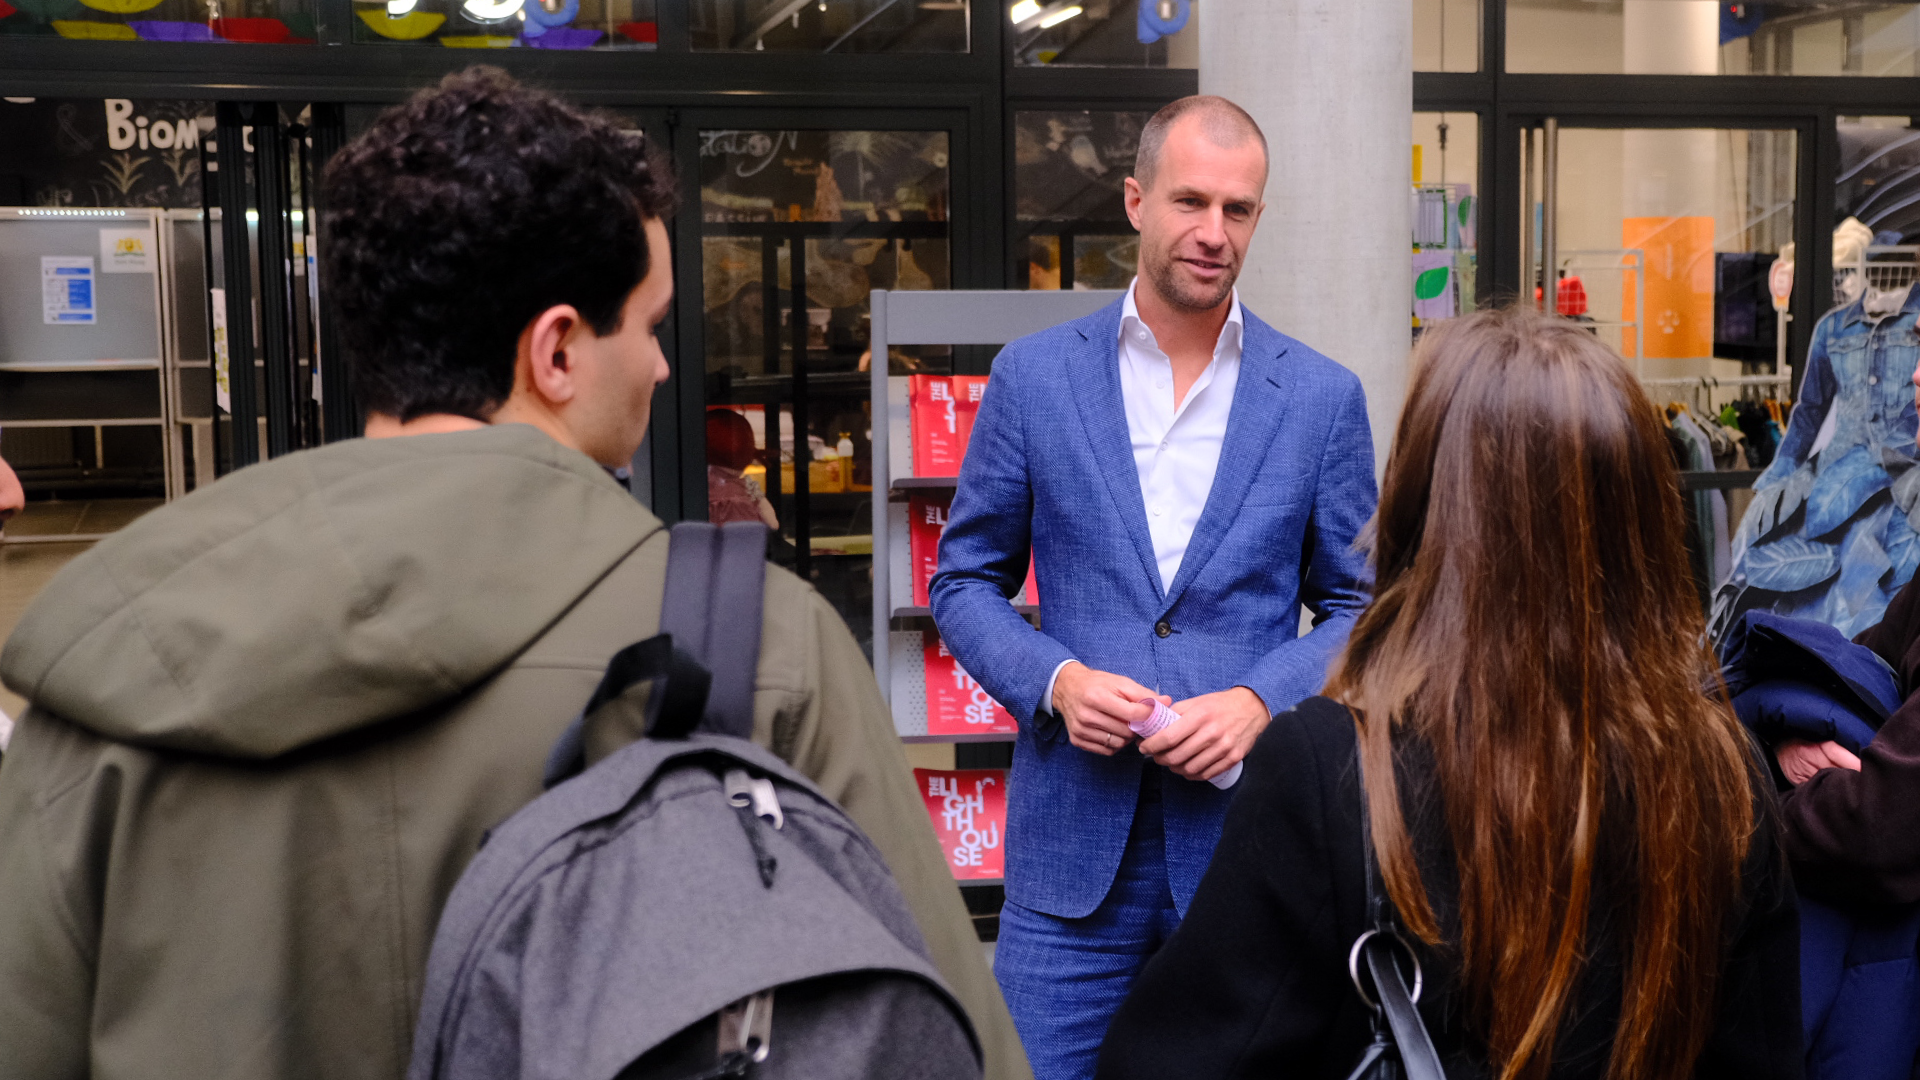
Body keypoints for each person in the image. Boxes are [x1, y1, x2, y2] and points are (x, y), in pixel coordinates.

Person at [0, 68, 1028, 1080]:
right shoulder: (758, 642)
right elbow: (944, 1037)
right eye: (652, 324)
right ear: (558, 352)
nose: (665, 367)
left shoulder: (113, 675)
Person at [1096, 308, 1802, 1080]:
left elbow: (1174, 1060)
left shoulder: (1333, 771)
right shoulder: (1721, 771)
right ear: (1643, 518)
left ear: (1421, 500)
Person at [929, 95, 1376, 1079]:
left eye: (1239, 209)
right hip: (1070, 862)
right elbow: (962, 581)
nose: (1214, 233)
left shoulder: (1319, 398)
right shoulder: (1036, 377)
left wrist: (1265, 699)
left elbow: (1365, 607)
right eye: (1190, 202)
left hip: (1247, 846)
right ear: (1135, 201)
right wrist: (1056, 682)